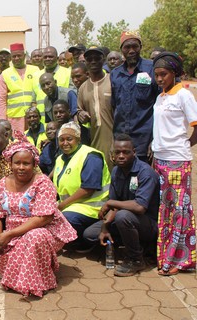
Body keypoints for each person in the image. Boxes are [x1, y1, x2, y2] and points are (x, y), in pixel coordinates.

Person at [0, 139, 77, 297]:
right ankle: (19, 274)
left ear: (34, 164)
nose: (21, 168)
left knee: (35, 237)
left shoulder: (43, 183)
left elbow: (43, 218)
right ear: (10, 163)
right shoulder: (3, 183)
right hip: (15, 232)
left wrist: (9, 234)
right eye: (17, 163)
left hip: (44, 229)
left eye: (26, 163)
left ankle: (36, 282)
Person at [83, 134, 159, 276]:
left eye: (126, 152)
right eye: (117, 152)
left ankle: (136, 259)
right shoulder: (117, 171)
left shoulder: (145, 172)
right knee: (91, 234)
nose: (121, 156)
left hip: (148, 224)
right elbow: (114, 205)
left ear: (134, 152)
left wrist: (111, 202)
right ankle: (127, 243)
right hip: (125, 219)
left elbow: (140, 207)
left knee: (123, 216)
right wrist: (105, 226)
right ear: (112, 154)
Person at [151, 52, 197, 276]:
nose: (160, 79)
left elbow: (196, 127)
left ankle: (174, 261)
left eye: (164, 74)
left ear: (174, 73)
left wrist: (183, 147)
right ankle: (171, 257)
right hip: (159, 159)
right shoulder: (161, 97)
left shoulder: (184, 96)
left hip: (177, 161)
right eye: (157, 75)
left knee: (179, 211)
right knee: (166, 210)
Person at [52, 122, 110, 249]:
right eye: (61, 140)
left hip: (93, 207)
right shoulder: (60, 159)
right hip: (71, 205)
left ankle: (80, 243)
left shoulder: (91, 156)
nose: (65, 143)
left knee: (64, 218)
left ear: (78, 139)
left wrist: (61, 206)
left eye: (69, 139)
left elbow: (87, 189)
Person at [111, 31, 159, 162]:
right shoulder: (115, 74)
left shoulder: (151, 69)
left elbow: (161, 106)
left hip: (145, 141)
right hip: (121, 142)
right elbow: (115, 107)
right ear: (122, 50)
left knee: (143, 179)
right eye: (127, 47)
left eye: (135, 46)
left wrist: (155, 141)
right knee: (124, 179)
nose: (131, 50)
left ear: (140, 47)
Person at [77, 48, 114, 168]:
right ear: (85, 62)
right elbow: (79, 110)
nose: (93, 62)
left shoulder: (112, 81)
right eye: (89, 59)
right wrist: (80, 114)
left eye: (97, 58)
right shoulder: (83, 88)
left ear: (103, 60)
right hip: (94, 140)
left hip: (114, 139)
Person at [0, 43, 39, 132]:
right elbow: (1, 100)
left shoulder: (35, 70)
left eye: (19, 55)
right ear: (10, 58)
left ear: (24, 56)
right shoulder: (5, 74)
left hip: (33, 117)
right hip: (14, 118)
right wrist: (2, 120)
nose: (16, 58)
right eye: (14, 56)